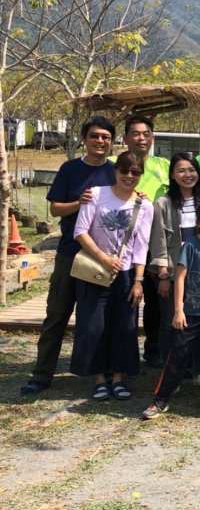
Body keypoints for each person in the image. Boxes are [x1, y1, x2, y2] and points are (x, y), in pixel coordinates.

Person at [20, 116, 116, 396]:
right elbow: (55, 210)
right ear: (84, 139)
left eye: (106, 137)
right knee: (57, 315)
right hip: (70, 255)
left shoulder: (114, 172)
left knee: (98, 319)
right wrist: (79, 203)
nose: (101, 141)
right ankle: (41, 374)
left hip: (102, 256)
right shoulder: (70, 169)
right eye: (95, 136)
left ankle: (103, 374)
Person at [70, 152, 155, 400]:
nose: (129, 176)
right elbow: (80, 231)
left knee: (124, 326)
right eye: (125, 171)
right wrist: (103, 257)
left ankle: (119, 377)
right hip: (95, 270)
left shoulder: (144, 205)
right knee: (94, 325)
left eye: (135, 172)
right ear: (115, 171)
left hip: (127, 274)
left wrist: (138, 280)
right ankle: (98, 378)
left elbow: (142, 245)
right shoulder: (96, 195)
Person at [142, 200, 200, 418]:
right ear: (199, 223)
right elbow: (180, 278)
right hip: (192, 313)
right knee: (178, 355)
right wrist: (178, 309)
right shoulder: (190, 246)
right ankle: (160, 399)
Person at [112, 114, 171, 368]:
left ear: (153, 137)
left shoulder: (164, 165)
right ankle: (123, 354)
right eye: (135, 133)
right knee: (127, 300)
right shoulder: (114, 164)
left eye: (146, 134)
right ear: (125, 138)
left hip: (156, 244)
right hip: (122, 246)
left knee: (157, 301)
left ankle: (153, 348)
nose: (141, 138)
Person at [149, 153, 200, 364]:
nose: (187, 175)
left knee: (197, 321)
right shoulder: (163, 203)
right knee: (171, 321)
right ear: (173, 175)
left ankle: (194, 366)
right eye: (181, 171)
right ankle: (170, 367)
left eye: (192, 170)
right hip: (174, 273)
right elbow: (159, 240)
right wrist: (163, 275)